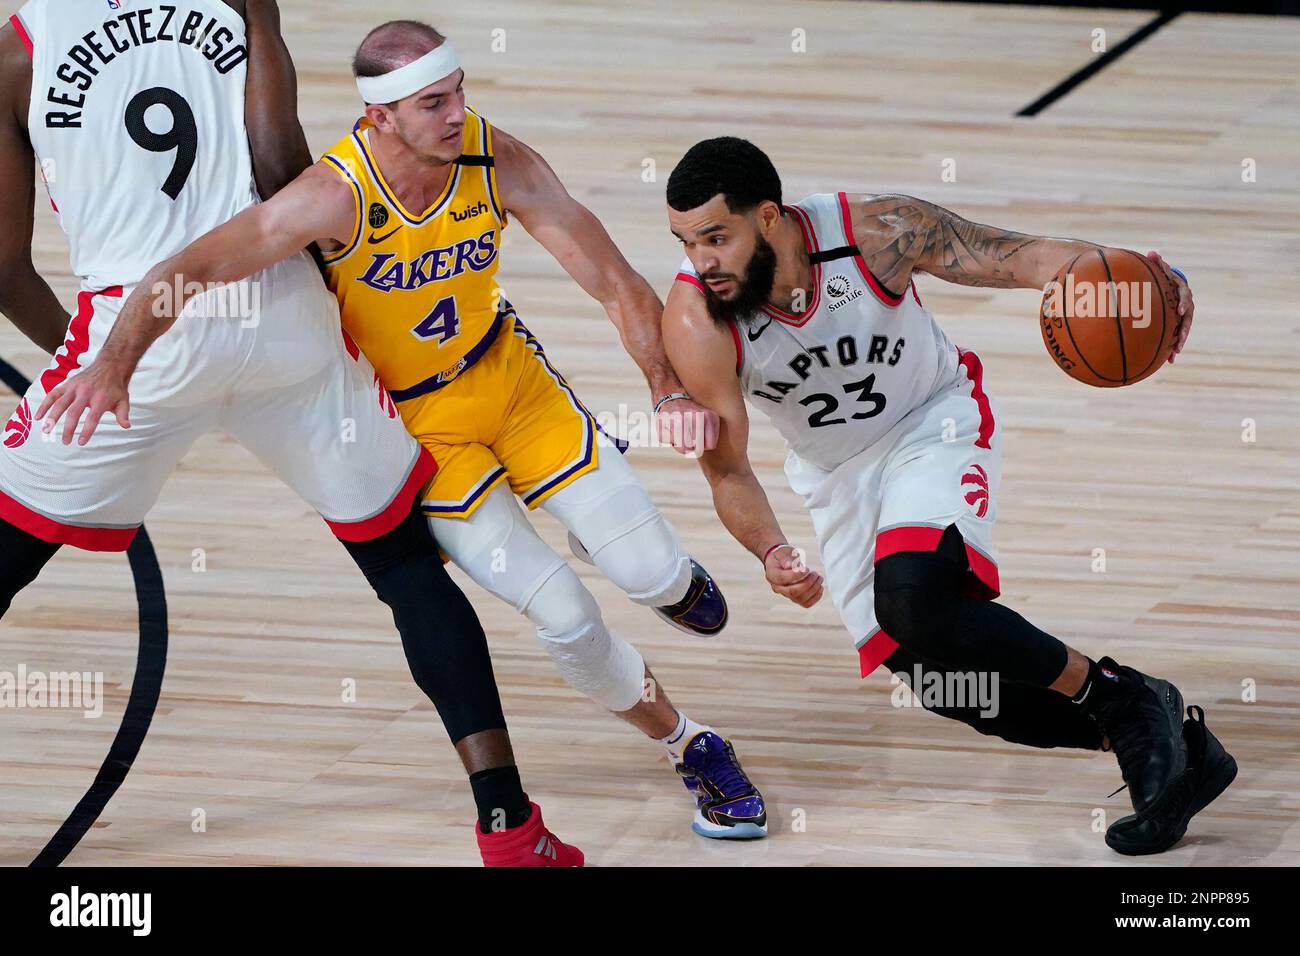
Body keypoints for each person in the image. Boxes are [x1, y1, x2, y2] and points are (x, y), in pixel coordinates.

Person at [39, 21, 767, 841]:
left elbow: (616, 283)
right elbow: (187, 270)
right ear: (381, 116)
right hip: (422, 432)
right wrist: (113, 362)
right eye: (434, 103)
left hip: (513, 386)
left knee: (655, 572)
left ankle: (629, 556)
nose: (460, 113)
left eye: (459, 93)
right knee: (563, 618)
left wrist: (665, 389)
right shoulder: (331, 195)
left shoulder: (498, 158)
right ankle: (690, 743)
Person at [2, 0, 578, 867]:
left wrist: (98, 367)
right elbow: (280, 171)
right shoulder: (234, 2)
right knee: (403, 566)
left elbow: (5, 268)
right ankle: (508, 823)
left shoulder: (16, 51)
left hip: (139, 329)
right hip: (281, 314)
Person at [658, 136, 1235, 855]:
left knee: (913, 600)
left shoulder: (875, 232)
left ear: (769, 218)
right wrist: (770, 548)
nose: (701, 261)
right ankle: (1171, 745)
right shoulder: (698, 320)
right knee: (955, 689)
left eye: (717, 237)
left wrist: (1143, 276)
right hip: (838, 478)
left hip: (932, 422)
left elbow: (1021, 257)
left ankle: (1124, 697)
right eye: (687, 242)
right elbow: (729, 469)